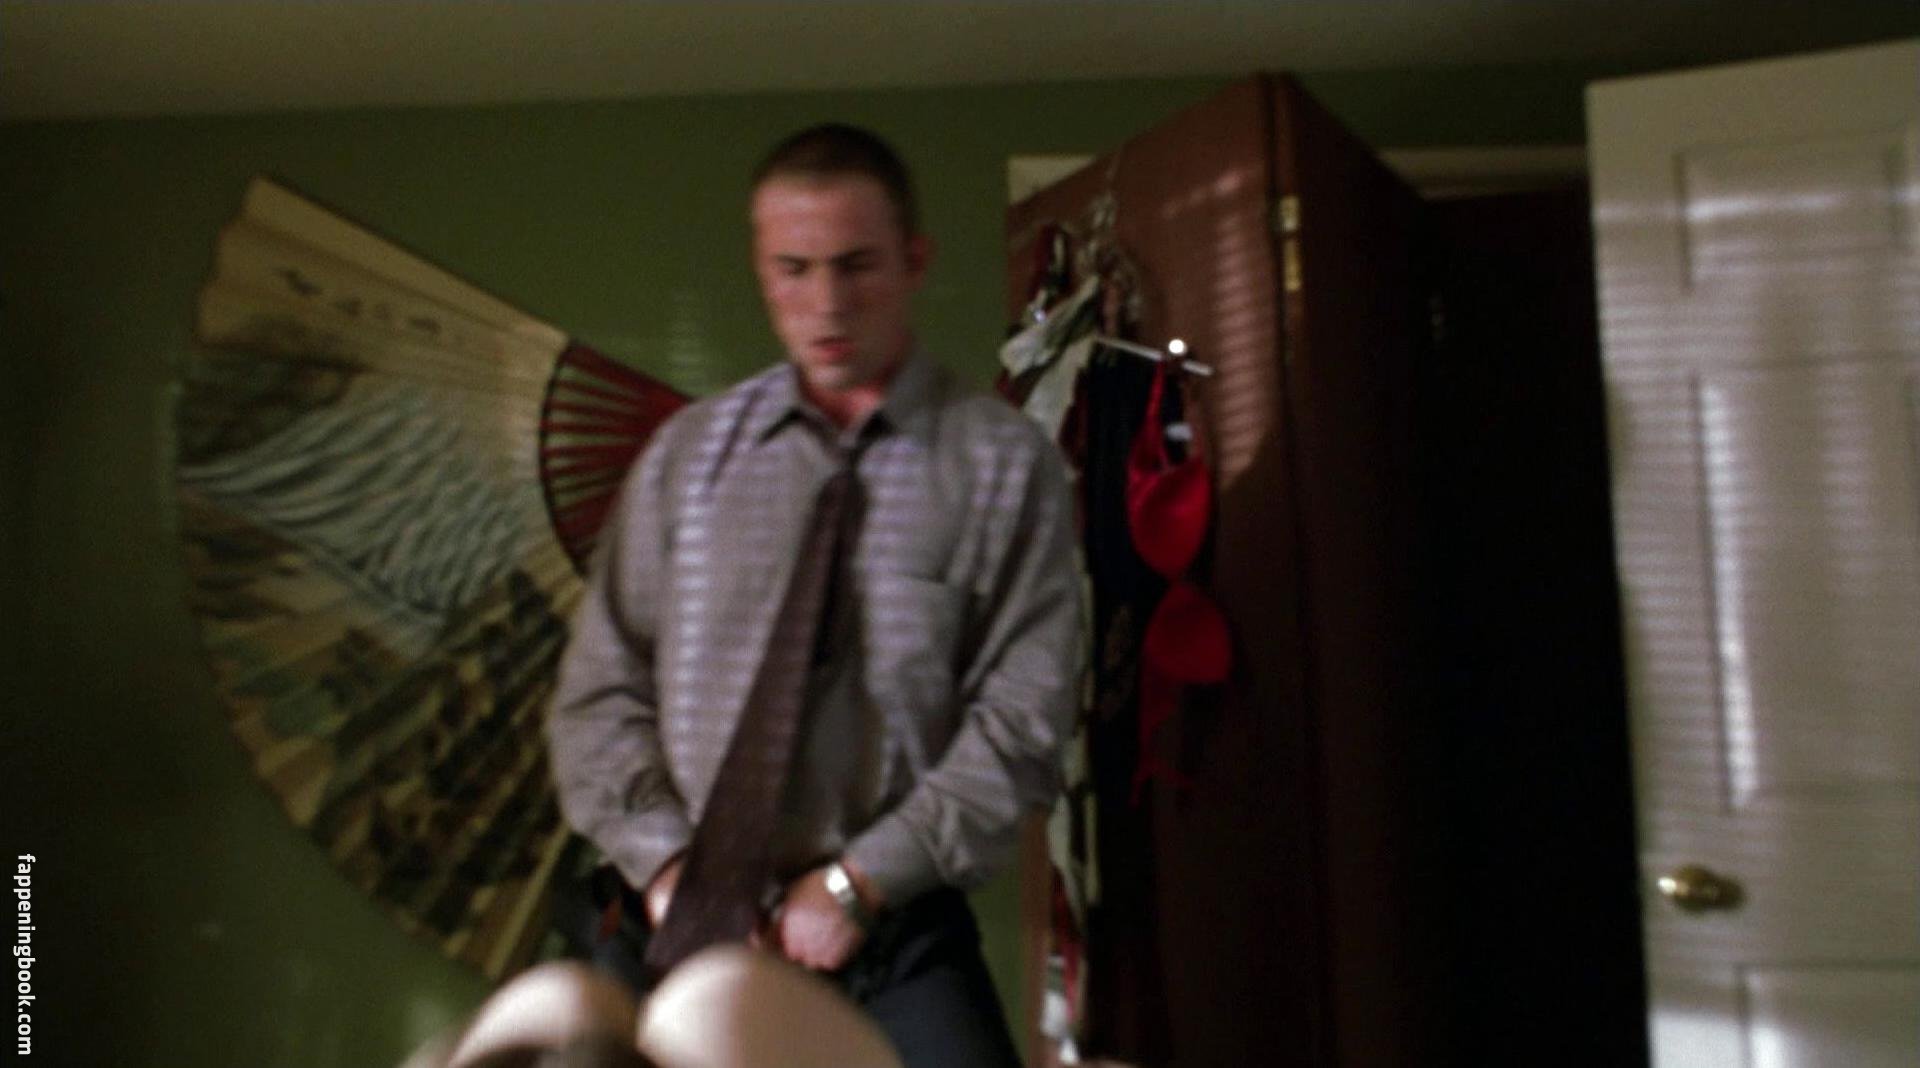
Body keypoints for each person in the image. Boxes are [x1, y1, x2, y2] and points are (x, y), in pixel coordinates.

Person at [546, 123, 1083, 1068]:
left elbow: (1024, 721)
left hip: (891, 923)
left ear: (914, 261)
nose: (826, 302)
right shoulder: (687, 461)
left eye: (856, 265)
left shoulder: (1002, 467)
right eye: (794, 269)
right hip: (675, 914)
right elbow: (598, 695)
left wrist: (856, 886)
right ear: (762, 271)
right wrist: (669, 872)